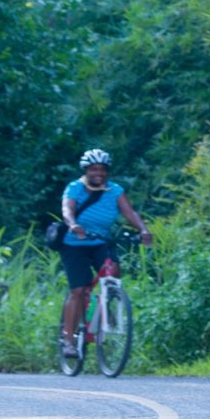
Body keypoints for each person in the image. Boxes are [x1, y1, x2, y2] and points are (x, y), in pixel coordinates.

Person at [59, 149, 152, 357]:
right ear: (86, 170)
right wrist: (73, 225)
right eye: (93, 169)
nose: (98, 173)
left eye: (102, 169)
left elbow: (129, 212)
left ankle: (106, 300)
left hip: (100, 241)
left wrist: (143, 230)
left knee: (113, 271)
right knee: (79, 290)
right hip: (75, 243)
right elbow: (67, 209)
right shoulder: (75, 187)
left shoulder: (115, 190)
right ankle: (69, 339)